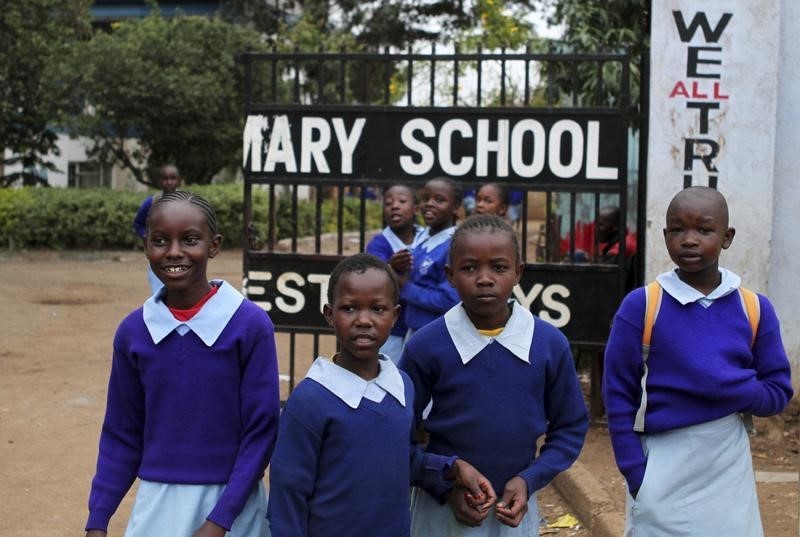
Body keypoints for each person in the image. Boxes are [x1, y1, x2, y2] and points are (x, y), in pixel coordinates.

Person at [85, 191, 280, 537]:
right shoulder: (134, 331)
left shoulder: (249, 325)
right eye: (160, 241)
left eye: (189, 240)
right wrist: (98, 519)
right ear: (146, 247)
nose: (174, 252)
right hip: (158, 504)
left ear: (214, 245)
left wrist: (220, 520)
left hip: (233, 506)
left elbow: (261, 430)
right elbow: (121, 432)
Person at [602, 187, 793, 536]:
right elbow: (618, 394)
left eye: (704, 230)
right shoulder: (643, 306)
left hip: (726, 458)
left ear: (726, 237)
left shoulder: (753, 308)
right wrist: (636, 472)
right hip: (661, 458)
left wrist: (726, 386)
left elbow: (778, 391)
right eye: (677, 230)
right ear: (665, 236)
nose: (689, 240)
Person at [267, 253, 496, 537]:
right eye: (349, 309)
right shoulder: (310, 401)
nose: (364, 320)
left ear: (395, 315)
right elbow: (288, 492)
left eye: (377, 309)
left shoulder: (402, 386)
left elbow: (399, 458)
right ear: (329, 314)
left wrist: (451, 468)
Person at [399, 214, 589, 536]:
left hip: (515, 509)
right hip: (442, 511)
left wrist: (529, 480)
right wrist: (446, 481)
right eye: (469, 268)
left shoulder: (547, 344)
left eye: (499, 268)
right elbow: (396, 436)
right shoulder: (426, 346)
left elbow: (570, 427)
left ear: (518, 273)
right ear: (450, 275)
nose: (484, 279)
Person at [366, 184, 425, 363]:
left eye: (402, 201)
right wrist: (390, 267)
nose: (395, 206)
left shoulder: (427, 239)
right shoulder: (378, 244)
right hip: (392, 332)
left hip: (422, 327)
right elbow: (373, 281)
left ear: (415, 208)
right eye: (388, 203)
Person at [400, 177, 462, 336]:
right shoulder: (422, 238)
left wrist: (405, 287)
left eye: (439, 200)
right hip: (414, 330)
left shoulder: (454, 246)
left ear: (455, 207)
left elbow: (449, 299)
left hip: (436, 334)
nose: (429, 203)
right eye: (425, 198)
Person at [132, 164, 182, 295]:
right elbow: (138, 223)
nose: (169, 182)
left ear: (179, 180)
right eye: (165, 179)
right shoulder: (152, 202)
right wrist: (147, 237)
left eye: (173, 178)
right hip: (158, 254)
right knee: (158, 291)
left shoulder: (187, 202)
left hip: (181, 253)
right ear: (160, 181)